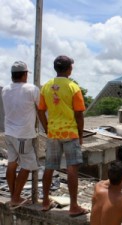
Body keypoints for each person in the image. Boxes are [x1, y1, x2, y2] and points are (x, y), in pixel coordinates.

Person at [37, 55, 88, 216]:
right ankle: (74, 206)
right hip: (70, 132)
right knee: (72, 167)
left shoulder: (46, 86)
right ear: (69, 69)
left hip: (53, 133)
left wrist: (46, 128)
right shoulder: (74, 87)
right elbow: (79, 114)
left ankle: (45, 202)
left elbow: (40, 110)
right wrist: (80, 135)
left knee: (49, 167)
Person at [2, 61, 40, 207]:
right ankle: (16, 198)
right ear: (24, 74)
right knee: (27, 165)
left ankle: (14, 196)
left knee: (12, 164)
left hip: (9, 133)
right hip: (23, 134)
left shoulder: (5, 89)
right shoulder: (31, 89)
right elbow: (41, 108)